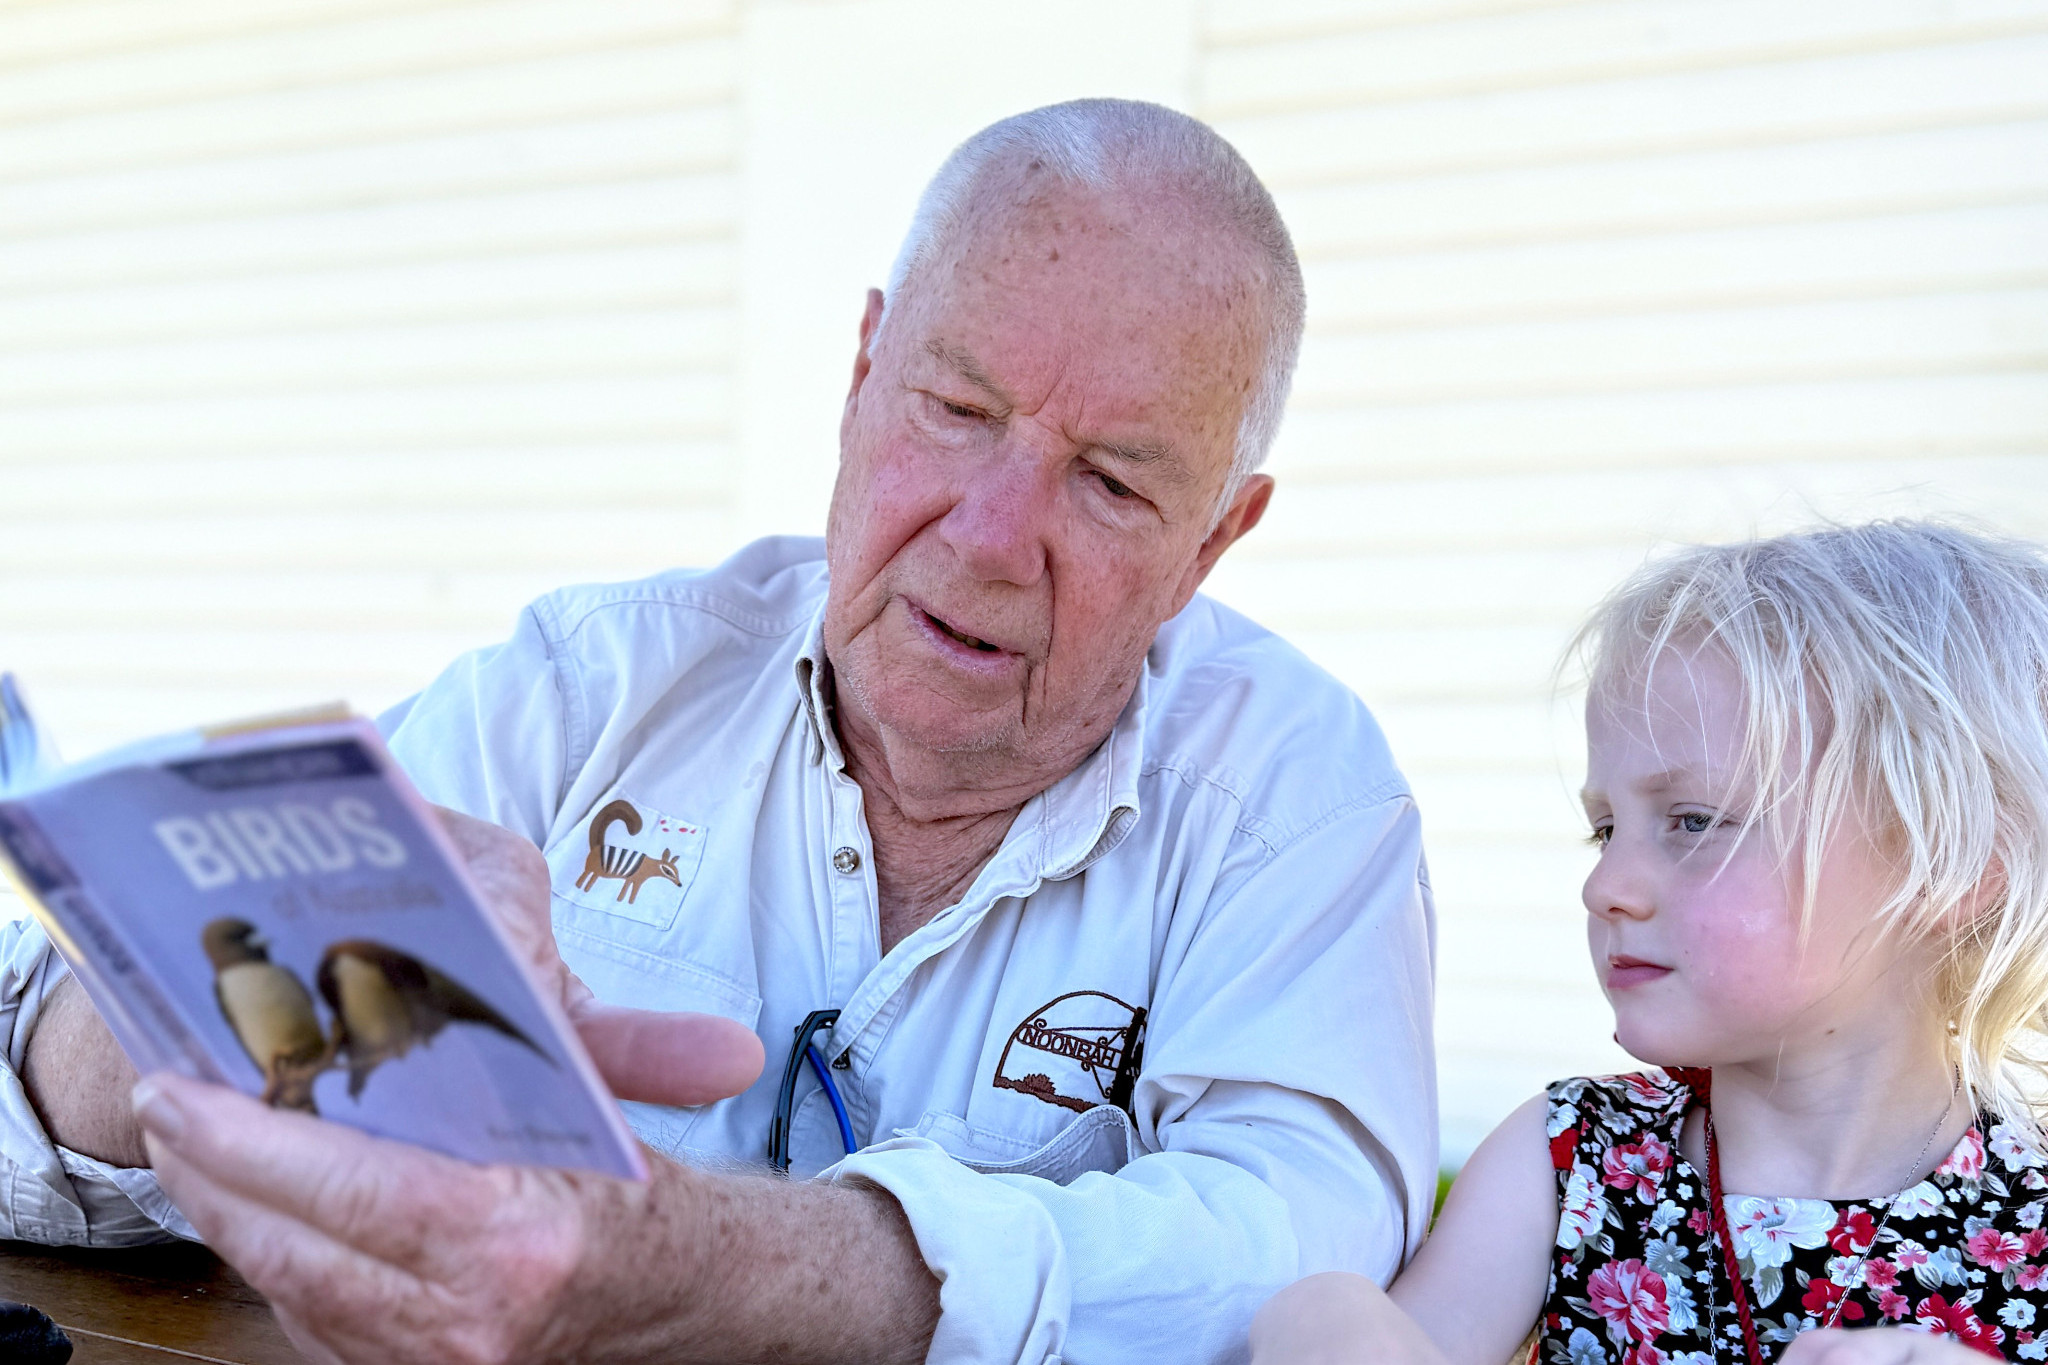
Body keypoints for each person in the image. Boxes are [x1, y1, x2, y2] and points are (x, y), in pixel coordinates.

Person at [0, 100, 1440, 1364]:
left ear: (1213, 540)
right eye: (954, 407)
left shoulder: (1299, 804)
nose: (994, 537)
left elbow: (1297, 1247)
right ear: (864, 372)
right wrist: (212, 996)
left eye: (1114, 485)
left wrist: (736, 1273)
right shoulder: (587, 692)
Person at [1249, 521, 2048, 1365]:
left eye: (1694, 821)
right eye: (1605, 830)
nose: (1606, 887)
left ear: (1947, 868)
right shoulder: (1574, 1161)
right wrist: (1322, 1312)